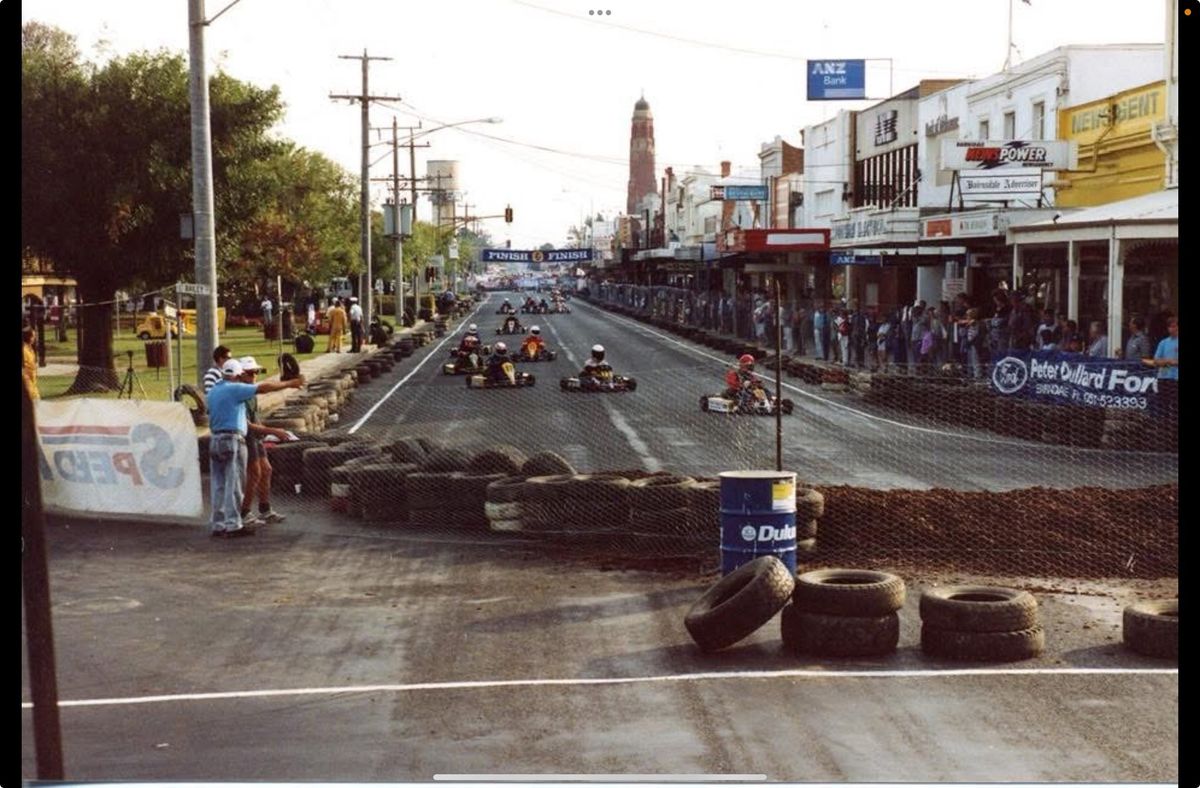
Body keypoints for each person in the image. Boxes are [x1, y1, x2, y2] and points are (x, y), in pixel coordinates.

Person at [205, 358, 305, 537]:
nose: (250, 376)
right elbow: (264, 388)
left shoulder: (213, 391)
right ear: (238, 375)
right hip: (232, 439)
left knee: (219, 485)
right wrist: (291, 383)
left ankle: (218, 525)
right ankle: (234, 524)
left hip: (215, 440)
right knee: (234, 484)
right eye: (246, 373)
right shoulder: (235, 388)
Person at [235, 356, 290, 527]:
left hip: (255, 436)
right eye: (250, 373)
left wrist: (267, 432)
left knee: (266, 470)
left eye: (256, 372)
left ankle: (265, 509)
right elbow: (247, 425)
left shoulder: (252, 392)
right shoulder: (239, 394)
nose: (254, 376)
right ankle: (244, 512)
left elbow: (255, 418)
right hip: (246, 436)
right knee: (255, 473)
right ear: (241, 374)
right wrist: (272, 431)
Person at [23, 327, 39, 402]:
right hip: (26, 382)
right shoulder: (23, 350)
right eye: (33, 336)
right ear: (29, 337)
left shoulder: (30, 349)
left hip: (33, 382)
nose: (34, 338)